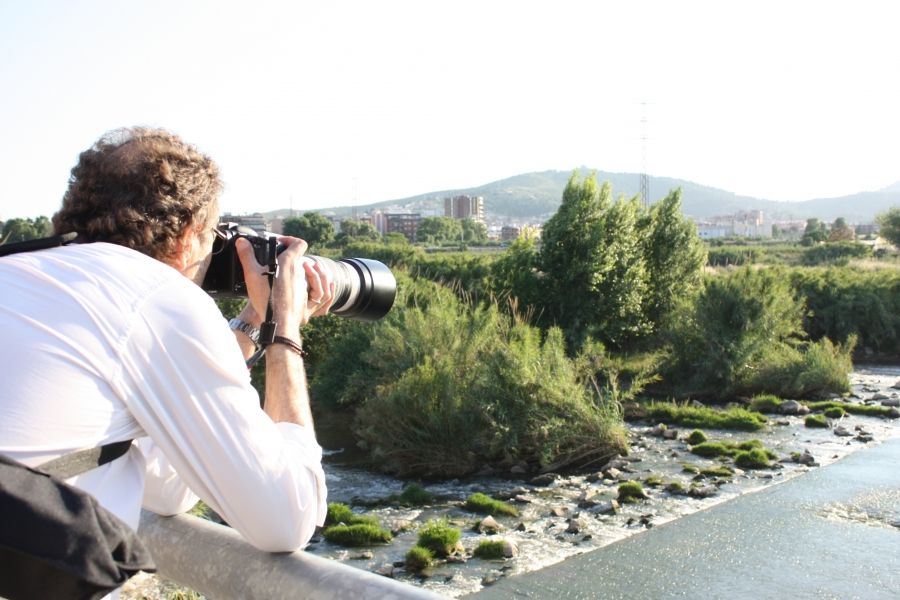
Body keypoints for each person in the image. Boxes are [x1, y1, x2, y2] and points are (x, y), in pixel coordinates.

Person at [0, 128, 332, 569]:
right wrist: (284, 331)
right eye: (214, 239)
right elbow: (287, 517)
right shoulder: (157, 297)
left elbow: (167, 487)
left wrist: (253, 324)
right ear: (185, 238)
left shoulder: (20, 272)